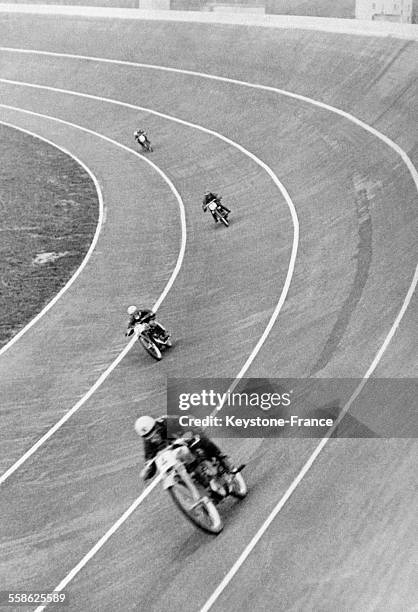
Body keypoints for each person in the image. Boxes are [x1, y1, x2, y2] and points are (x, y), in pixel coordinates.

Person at [134, 415, 235, 481]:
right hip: (176, 453)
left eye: (154, 433)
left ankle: (221, 457)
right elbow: (150, 459)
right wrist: (147, 471)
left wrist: (187, 437)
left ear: (157, 426)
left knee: (199, 439)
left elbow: (187, 426)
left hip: (186, 432)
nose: (152, 438)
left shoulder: (167, 422)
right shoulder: (148, 441)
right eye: (148, 437)